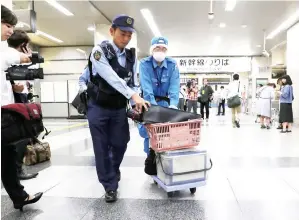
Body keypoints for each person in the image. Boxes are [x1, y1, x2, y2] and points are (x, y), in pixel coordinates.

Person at [83, 14, 149, 203]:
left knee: (121, 143)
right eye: (123, 34)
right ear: (112, 31)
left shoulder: (131, 55)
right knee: (102, 147)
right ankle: (110, 185)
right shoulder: (99, 51)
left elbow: (134, 82)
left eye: (130, 35)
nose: (126, 38)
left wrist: (136, 96)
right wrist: (132, 94)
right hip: (98, 107)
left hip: (119, 108)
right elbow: (111, 77)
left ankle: (112, 169)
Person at [1, 4, 43, 210]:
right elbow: (13, 57)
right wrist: (26, 56)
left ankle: (19, 196)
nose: (10, 30)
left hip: (5, 111)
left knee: (7, 157)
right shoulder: (4, 52)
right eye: (7, 25)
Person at [138, 36, 180, 155]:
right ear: (152, 49)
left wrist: (173, 104)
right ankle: (150, 159)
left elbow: (174, 86)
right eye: (157, 48)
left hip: (166, 104)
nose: (160, 51)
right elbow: (146, 88)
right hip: (149, 103)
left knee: (166, 134)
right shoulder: (144, 64)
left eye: (163, 49)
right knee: (148, 133)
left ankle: (165, 161)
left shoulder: (172, 65)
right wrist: (154, 109)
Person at [7, 29, 39, 180]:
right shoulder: (9, 57)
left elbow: (29, 78)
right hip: (15, 99)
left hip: (21, 97)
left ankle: (16, 169)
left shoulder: (19, 59)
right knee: (20, 136)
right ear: (22, 45)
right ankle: (17, 170)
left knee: (22, 136)